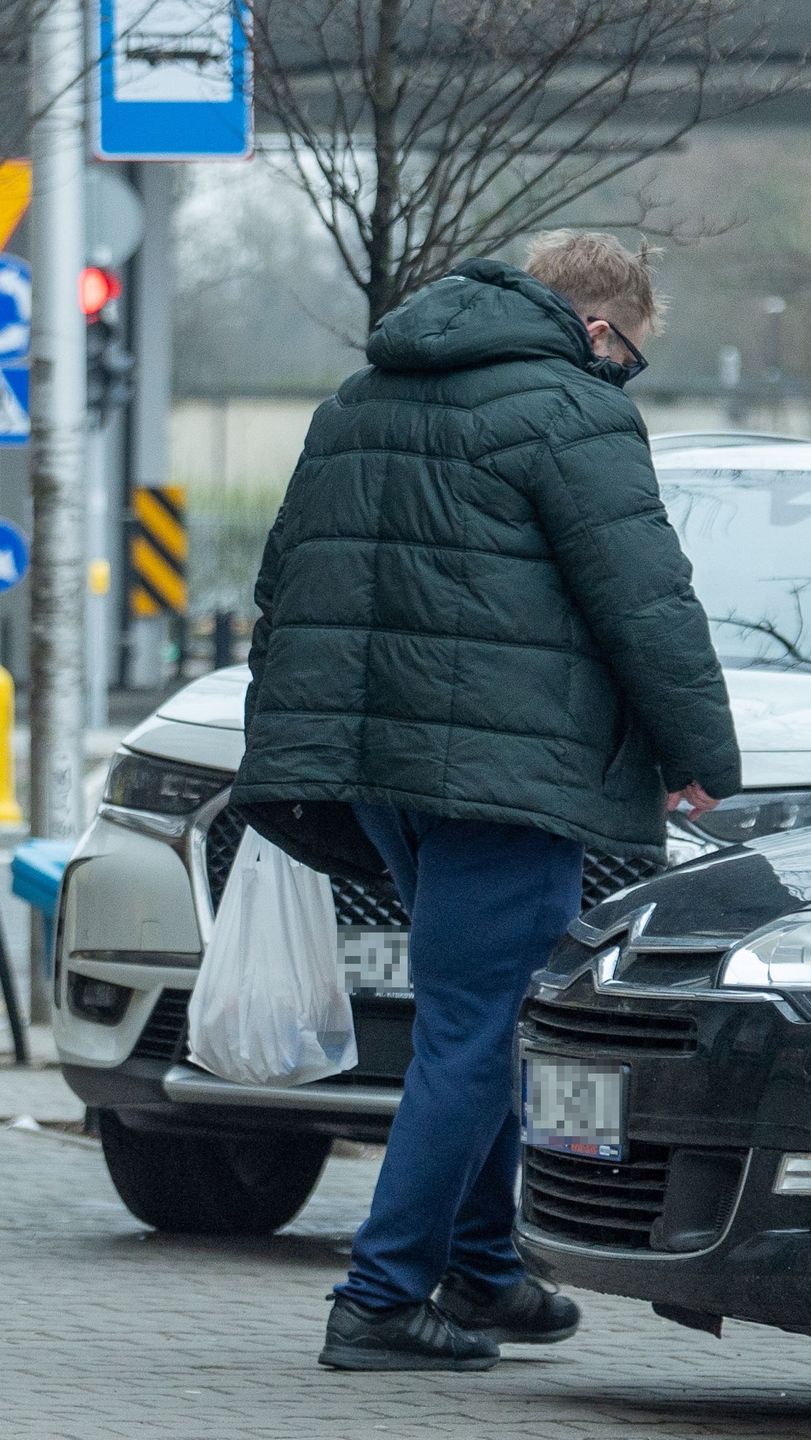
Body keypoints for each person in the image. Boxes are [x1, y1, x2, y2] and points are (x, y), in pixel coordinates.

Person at [232, 230, 742, 1372]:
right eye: (631, 356)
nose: (624, 376)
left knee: (480, 1017)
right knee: (472, 1031)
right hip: (505, 779)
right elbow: (644, 598)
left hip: (382, 772)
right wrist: (700, 751)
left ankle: (484, 1269)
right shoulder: (572, 410)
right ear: (598, 328)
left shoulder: (358, 401)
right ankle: (380, 1300)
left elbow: (284, 584)